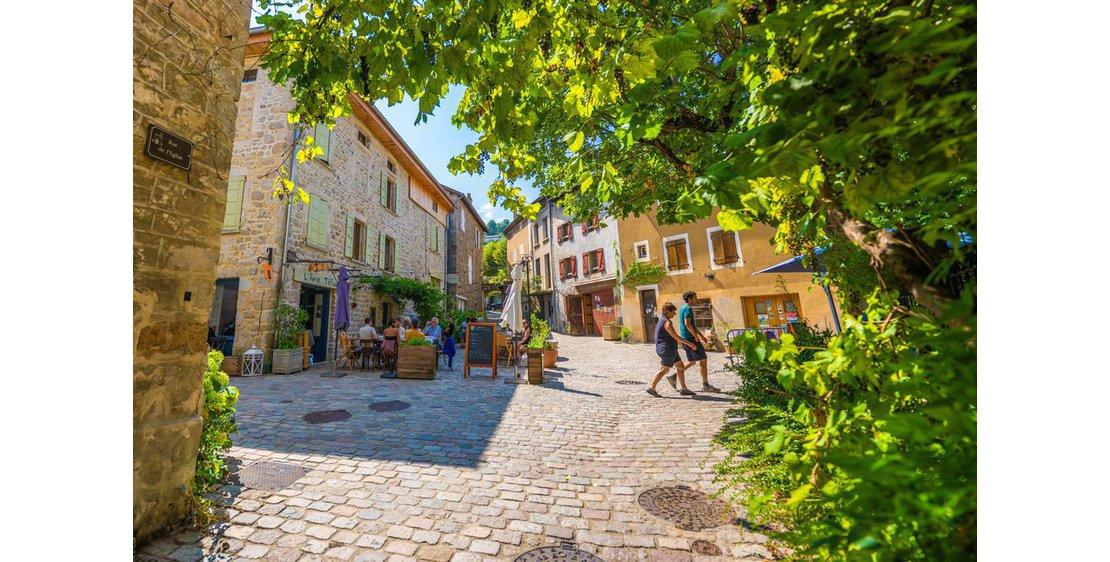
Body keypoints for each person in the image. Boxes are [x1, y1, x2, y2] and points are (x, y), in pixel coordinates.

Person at [671, 291, 721, 393]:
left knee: (692, 361)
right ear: (689, 299)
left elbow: (692, 325)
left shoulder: (682, 308)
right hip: (690, 338)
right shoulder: (688, 308)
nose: (696, 299)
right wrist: (695, 337)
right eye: (695, 298)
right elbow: (687, 324)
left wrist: (701, 336)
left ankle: (673, 376)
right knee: (703, 361)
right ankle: (705, 385)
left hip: (686, 338)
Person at [647, 302, 697, 397]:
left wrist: (678, 344)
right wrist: (689, 344)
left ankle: (684, 389)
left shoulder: (663, 320)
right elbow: (674, 335)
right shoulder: (666, 322)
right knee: (664, 370)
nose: (674, 314)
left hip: (671, 350)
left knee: (681, 367)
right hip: (667, 350)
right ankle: (651, 388)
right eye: (673, 312)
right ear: (668, 311)